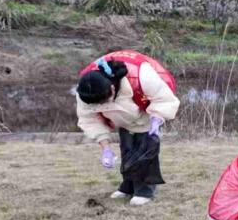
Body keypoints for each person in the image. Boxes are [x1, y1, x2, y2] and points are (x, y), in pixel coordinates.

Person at [76, 50, 180, 206]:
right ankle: (128, 186)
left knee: (145, 151)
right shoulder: (85, 90)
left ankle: (144, 191)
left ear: (112, 89)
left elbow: (163, 98)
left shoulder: (142, 75)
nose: (100, 106)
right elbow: (89, 119)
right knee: (127, 149)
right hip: (123, 119)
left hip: (145, 112)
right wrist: (105, 148)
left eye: (103, 102)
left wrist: (157, 118)